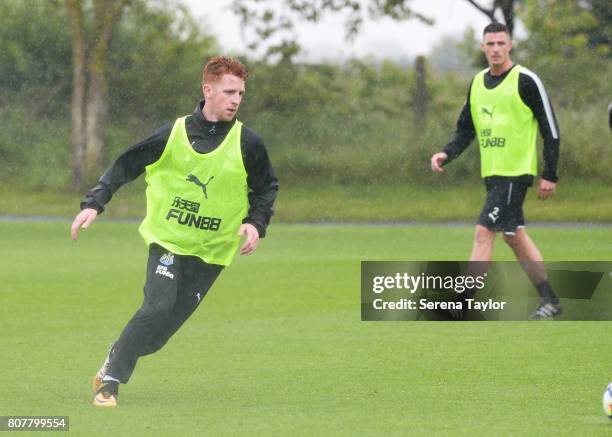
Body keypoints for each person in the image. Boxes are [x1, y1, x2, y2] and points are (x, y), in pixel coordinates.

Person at [71, 56, 278, 407]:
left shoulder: (249, 143)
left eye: (241, 93)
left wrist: (255, 223)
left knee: (158, 336)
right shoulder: (174, 134)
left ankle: (117, 352)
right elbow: (127, 163)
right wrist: (95, 201)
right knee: (156, 307)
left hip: (211, 253)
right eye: (229, 91)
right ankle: (110, 381)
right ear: (207, 89)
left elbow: (266, 186)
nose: (236, 100)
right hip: (167, 241)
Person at [430, 22, 561, 321]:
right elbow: (466, 129)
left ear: (510, 45)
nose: (495, 49)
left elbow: (550, 129)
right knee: (514, 237)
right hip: (492, 175)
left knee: (483, 232)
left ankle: (462, 303)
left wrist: (549, 173)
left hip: (515, 174)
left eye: (501, 43)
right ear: (482, 48)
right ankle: (550, 300)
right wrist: (446, 153)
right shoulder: (477, 83)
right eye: (490, 44)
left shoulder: (526, 81)